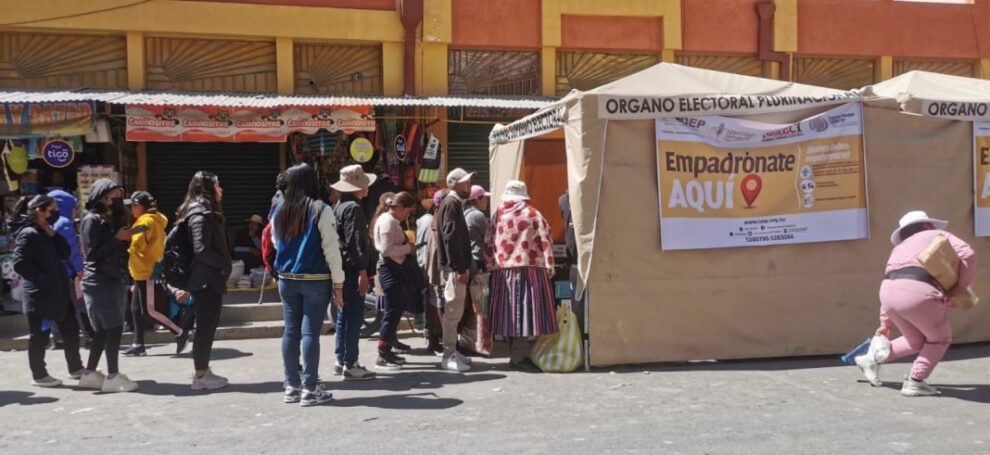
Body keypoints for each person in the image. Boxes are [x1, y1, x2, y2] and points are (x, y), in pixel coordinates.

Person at [855, 211, 976, 397]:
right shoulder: (937, 234)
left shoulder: (899, 248)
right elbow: (967, 254)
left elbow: (895, 278)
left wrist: (885, 323)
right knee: (939, 339)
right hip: (917, 292)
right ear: (927, 225)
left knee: (915, 341)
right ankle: (915, 381)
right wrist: (960, 289)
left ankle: (870, 360)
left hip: (887, 294)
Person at [271, 163, 345, 406]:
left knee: (290, 331)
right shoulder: (320, 209)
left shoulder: (280, 208)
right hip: (315, 278)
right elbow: (331, 250)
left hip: (287, 278)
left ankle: (291, 386)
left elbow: (275, 242)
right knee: (310, 332)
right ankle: (310, 389)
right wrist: (339, 284)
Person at [11, 195, 84, 387]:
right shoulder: (28, 233)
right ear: (40, 211)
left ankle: (76, 368)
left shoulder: (46, 232)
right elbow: (20, 264)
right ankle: (39, 375)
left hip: (58, 293)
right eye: (52, 209)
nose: (56, 213)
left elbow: (65, 252)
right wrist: (44, 280)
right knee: (40, 336)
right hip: (41, 295)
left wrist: (54, 235)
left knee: (71, 330)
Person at [484, 180, 558, 369]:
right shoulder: (532, 213)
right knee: (524, 313)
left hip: (503, 272)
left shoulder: (498, 214)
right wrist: (549, 263)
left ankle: (516, 353)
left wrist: (489, 264)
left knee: (509, 314)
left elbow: (489, 241)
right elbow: (546, 239)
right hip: (528, 269)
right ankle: (518, 356)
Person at [80, 179, 139, 392]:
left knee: (103, 331)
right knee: (112, 328)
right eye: (115, 194)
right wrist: (117, 238)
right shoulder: (92, 219)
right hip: (100, 281)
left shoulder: (110, 217)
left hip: (112, 278)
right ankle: (113, 376)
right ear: (103, 196)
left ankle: (90, 373)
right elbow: (92, 254)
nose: (118, 198)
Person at [176, 171, 233, 391]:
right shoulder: (200, 213)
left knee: (208, 326)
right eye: (217, 185)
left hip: (208, 278)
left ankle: (203, 371)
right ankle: (200, 376)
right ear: (208, 188)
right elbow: (201, 249)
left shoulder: (202, 210)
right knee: (205, 327)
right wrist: (222, 264)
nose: (221, 190)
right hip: (206, 279)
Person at [123, 191, 186, 357]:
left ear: (140, 206)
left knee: (149, 310)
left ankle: (180, 332)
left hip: (146, 271)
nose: (131, 209)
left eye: (133, 205)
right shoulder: (155, 220)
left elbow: (137, 245)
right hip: (142, 271)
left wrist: (127, 245)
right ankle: (138, 344)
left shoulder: (145, 221)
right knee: (136, 308)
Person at [331, 164, 377, 381]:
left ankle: (341, 359)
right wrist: (362, 271)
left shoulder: (338, 207)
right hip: (351, 270)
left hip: (341, 269)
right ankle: (351, 363)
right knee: (353, 317)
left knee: (344, 316)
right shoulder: (354, 208)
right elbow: (354, 242)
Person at [372, 191, 421, 371]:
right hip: (390, 270)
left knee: (395, 311)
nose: (407, 215)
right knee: (392, 313)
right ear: (400, 207)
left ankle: (387, 350)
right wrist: (407, 248)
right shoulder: (388, 221)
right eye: (407, 211)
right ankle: (382, 354)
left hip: (393, 269)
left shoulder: (389, 220)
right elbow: (386, 250)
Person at [435, 168, 476, 372]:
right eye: (465, 182)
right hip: (453, 270)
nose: (469, 185)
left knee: (455, 313)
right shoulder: (451, 204)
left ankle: (452, 351)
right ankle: (448, 354)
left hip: (454, 269)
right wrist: (460, 268)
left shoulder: (453, 203)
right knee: (452, 314)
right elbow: (450, 238)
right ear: (454, 184)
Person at [47, 189, 93, 350]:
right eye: (73, 207)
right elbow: (72, 250)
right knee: (80, 305)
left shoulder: (49, 223)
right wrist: (80, 269)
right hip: (69, 272)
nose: (75, 211)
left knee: (58, 305)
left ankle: (58, 339)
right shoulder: (64, 223)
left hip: (55, 272)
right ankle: (90, 337)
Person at [462, 184, 491, 355]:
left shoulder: (465, 213)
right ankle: (479, 343)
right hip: (478, 262)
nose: (486, 201)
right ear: (477, 199)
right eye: (484, 198)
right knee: (480, 304)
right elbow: (490, 238)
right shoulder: (478, 216)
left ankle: (469, 341)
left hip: (469, 262)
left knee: (470, 304)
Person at [419, 189, 444, 356]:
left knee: (433, 303)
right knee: (436, 305)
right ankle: (435, 340)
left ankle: (433, 338)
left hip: (428, 267)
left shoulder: (427, 220)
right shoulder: (432, 223)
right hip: (433, 269)